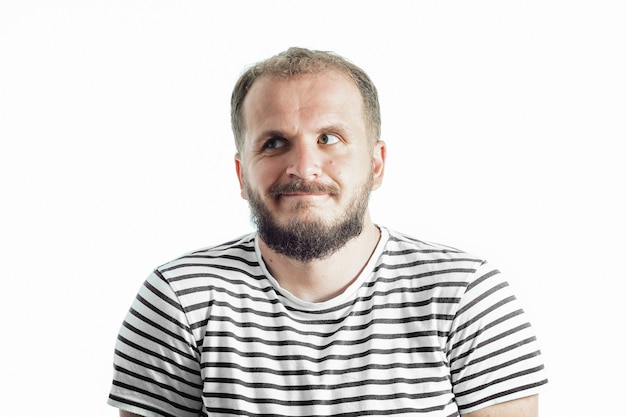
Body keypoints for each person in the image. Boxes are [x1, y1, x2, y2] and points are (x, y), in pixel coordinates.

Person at [108, 47, 547, 417]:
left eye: (330, 138)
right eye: (274, 142)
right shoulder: (181, 298)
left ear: (376, 164)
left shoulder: (465, 296)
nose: (304, 167)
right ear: (242, 175)